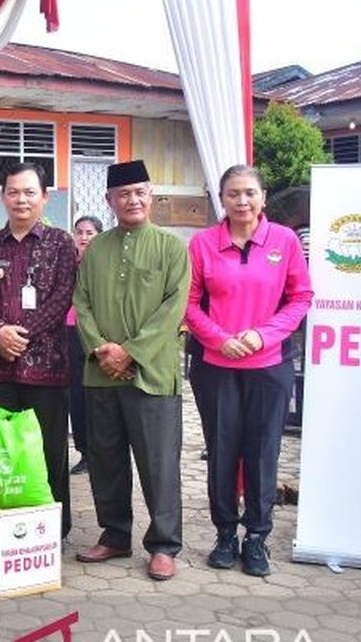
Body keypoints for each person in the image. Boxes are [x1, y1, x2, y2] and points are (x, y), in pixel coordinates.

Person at [185, 165, 312, 577]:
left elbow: (301, 297)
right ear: (221, 199)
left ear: (263, 196)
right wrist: (219, 337)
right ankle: (225, 534)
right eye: (233, 194)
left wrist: (264, 335)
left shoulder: (285, 240)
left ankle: (257, 537)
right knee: (222, 450)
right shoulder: (204, 244)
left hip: (268, 364)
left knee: (262, 451)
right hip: (216, 365)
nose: (242, 201)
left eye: (250, 193)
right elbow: (187, 303)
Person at [72, 159, 190, 581]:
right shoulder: (96, 249)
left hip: (153, 375)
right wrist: (103, 350)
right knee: (106, 460)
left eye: (140, 192)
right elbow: (81, 303)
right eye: (124, 194)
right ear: (109, 200)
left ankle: (163, 545)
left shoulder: (171, 247)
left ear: (151, 194)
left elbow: (173, 308)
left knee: (158, 463)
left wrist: (131, 352)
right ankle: (115, 534)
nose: (133, 200)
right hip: (100, 374)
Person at [0, 162, 78, 538]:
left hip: (47, 368)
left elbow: (63, 296)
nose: (21, 199)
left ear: (44, 197)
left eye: (29, 192)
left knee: (49, 451)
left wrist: (21, 335)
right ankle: (1, 526)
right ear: (2, 197)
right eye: (14, 192)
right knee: (0, 452)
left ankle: (52, 529)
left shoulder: (61, 243)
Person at [67, 215, 103, 476]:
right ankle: (84, 453)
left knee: (96, 398)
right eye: (80, 232)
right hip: (69, 333)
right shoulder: (68, 264)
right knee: (76, 397)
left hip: (97, 336)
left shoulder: (105, 264)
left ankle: (101, 452)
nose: (84, 237)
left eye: (90, 232)